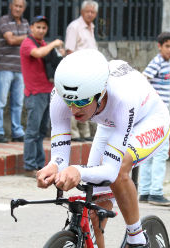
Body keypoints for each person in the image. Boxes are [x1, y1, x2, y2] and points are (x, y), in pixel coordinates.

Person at [36, 49, 170, 248]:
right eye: (69, 102)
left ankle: (138, 240)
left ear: (100, 92)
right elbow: (60, 156)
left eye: (82, 102)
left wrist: (78, 172)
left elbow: (108, 170)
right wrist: (53, 166)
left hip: (148, 120)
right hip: (109, 125)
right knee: (93, 214)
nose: (74, 110)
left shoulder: (121, 98)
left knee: (120, 170)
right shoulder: (63, 96)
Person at [20, 16, 64, 177]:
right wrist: (54, 44)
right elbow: (38, 54)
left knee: (41, 132)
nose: (41, 30)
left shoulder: (44, 43)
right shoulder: (28, 43)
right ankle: (29, 165)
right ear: (31, 27)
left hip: (47, 91)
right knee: (32, 132)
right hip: (34, 93)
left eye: (44, 28)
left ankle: (39, 164)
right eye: (38, 27)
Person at [138, 31, 170, 207]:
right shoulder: (158, 62)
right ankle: (156, 192)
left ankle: (145, 192)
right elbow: (143, 79)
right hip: (157, 115)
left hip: (154, 114)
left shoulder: (165, 63)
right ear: (159, 46)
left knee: (149, 153)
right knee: (161, 153)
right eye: (167, 46)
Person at [0, 0, 29, 144]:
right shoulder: (3, 20)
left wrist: (20, 38)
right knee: (0, 102)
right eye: (16, 6)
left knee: (18, 103)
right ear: (11, 6)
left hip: (21, 69)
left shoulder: (26, 22)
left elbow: (31, 41)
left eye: (20, 6)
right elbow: (10, 40)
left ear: (23, 8)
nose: (18, 9)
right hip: (5, 68)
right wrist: (26, 37)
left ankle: (17, 132)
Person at [64, 0, 99, 142]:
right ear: (81, 12)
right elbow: (69, 50)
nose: (90, 14)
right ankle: (74, 133)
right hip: (77, 70)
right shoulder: (75, 27)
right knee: (74, 103)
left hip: (90, 73)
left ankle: (85, 132)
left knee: (86, 102)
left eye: (93, 12)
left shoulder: (91, 27)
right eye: (87, 11)